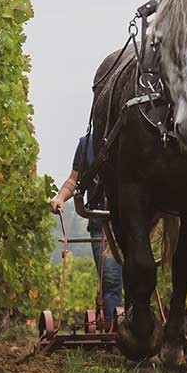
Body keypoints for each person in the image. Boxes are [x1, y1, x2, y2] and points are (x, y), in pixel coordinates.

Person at [50, 133, 124, 323]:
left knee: (139, 278)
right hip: (102, 224)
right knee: (111, 280)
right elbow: (74, 180)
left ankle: (135, 329)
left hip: (134, 225)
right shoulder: (87, 144)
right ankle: (114, 332)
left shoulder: (133, 135)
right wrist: (60, 197)